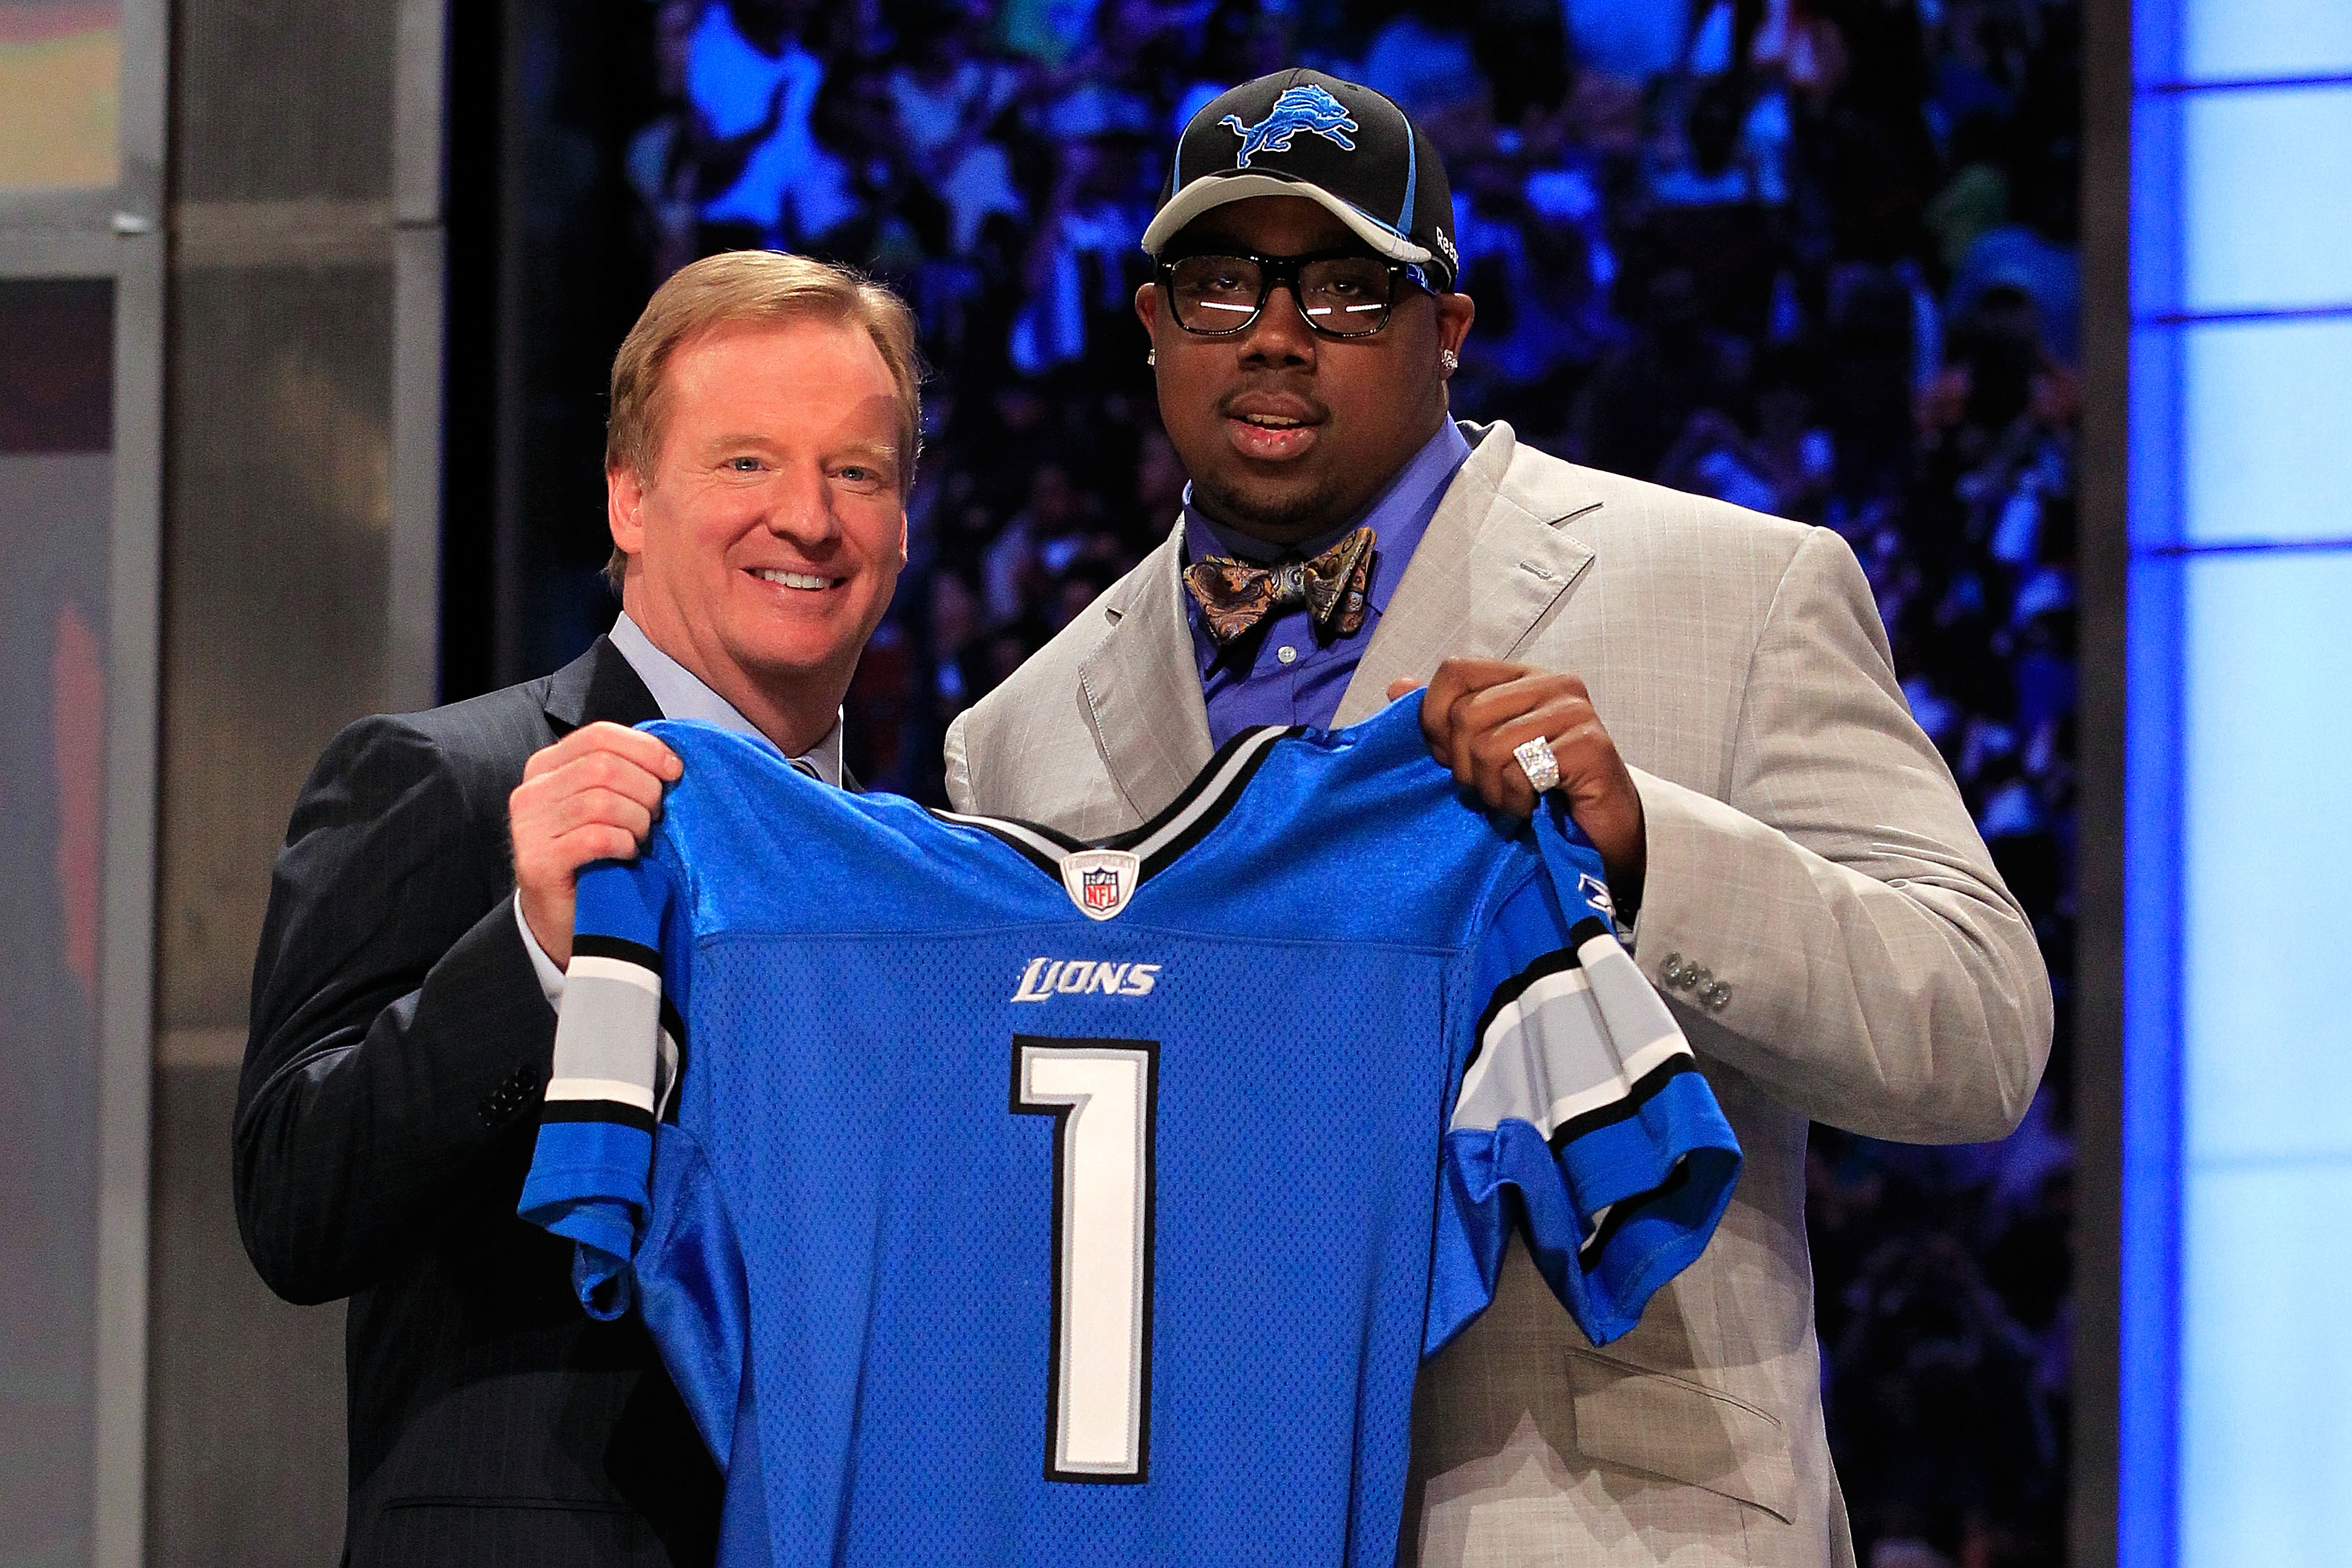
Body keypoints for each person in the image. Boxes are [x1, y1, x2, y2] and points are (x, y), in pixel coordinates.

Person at [943, 69, 2052, 1568]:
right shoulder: (1016, 739)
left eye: (1343, 287)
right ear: (1152, 321)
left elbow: (1978, 1028)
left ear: (1445, 329)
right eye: (1222, 284)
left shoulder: (1733, 590)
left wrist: (1648, 846)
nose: (1276, 334)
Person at [236, 250, 918, 1566]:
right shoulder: (448, 783)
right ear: (628, 499)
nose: (809, 519)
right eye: (744, 464)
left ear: (904, 520)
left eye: (857, 472)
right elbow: (293, 1202)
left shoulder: (912, 860)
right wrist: (536, 955)